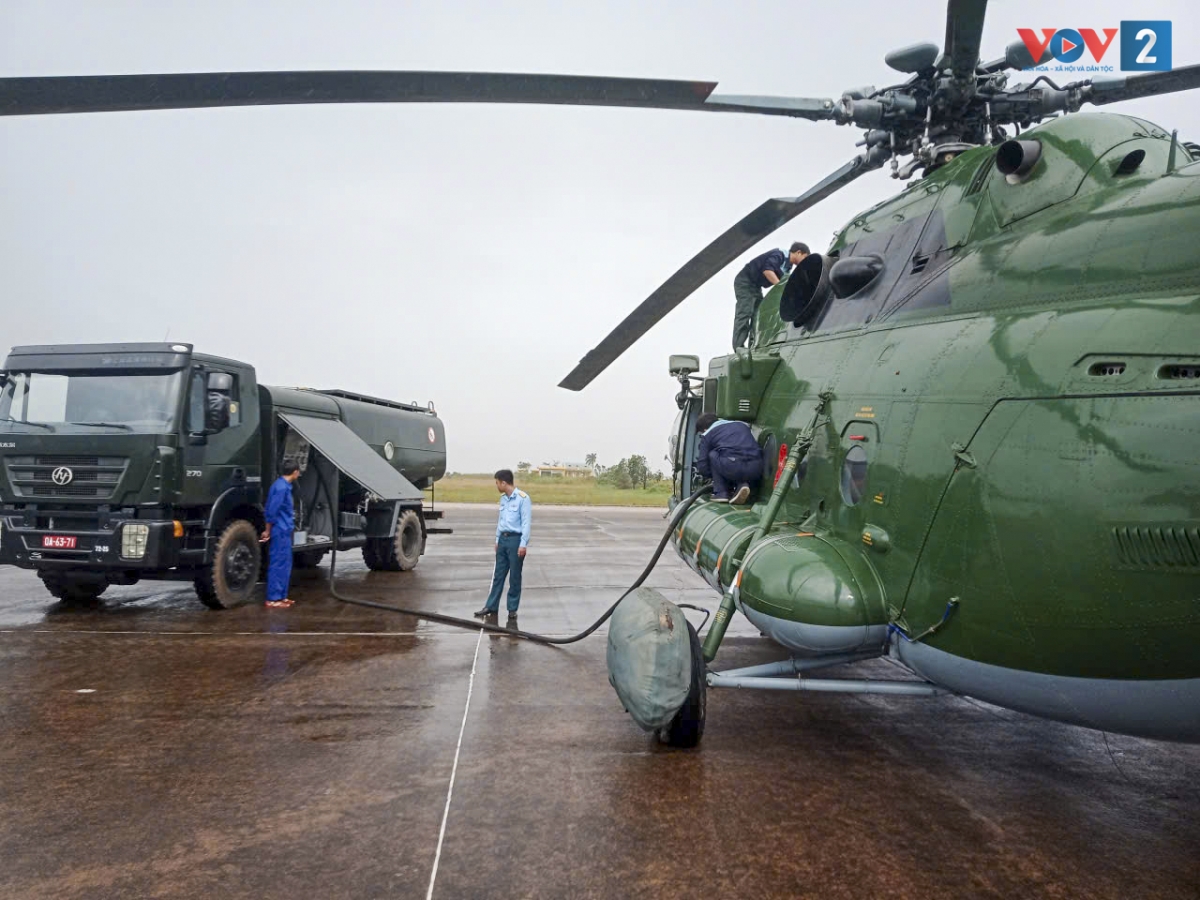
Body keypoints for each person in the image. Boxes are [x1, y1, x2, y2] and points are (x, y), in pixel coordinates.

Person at [474, 469, 532, 626]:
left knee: (514, 576)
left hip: (515, 541)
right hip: (503, 541)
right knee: (498, 575)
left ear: (504, 483)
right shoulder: (503, 499)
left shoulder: (523, 499)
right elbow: (501, 521)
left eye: (497, 483)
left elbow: (526, 523)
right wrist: (497, 539)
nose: (497, 486)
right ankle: (491, 605)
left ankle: (512, 608)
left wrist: (523, 543)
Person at [733, 242, 810, 350]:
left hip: (756, 286)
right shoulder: (780, 254)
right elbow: (768, 271)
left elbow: (785, 282)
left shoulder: (788, 268)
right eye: (804, 257)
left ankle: (752, 347)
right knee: (746, 311)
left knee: (757, 316)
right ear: (798, 252)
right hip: (745, 282)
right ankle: (738, 346)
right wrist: (781, 287)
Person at [694, 413, 764, 504]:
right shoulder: (741, 425)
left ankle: (721, 493)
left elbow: (702, 466)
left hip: (734, 467)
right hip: (757, 468)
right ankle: (741, 485)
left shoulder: (708, 434)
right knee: (733, 457)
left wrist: (718, 477)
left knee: (713, 454)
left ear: (704, 429)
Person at [260, 462, 302, 609]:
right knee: (278, 564)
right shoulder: (281, 488)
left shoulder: (283, 486)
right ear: (295, 472)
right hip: (280, 530)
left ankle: (282, 596)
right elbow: (271, 511)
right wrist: (267, 530)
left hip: (285, 530)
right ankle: (273, 598)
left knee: (285, 564)